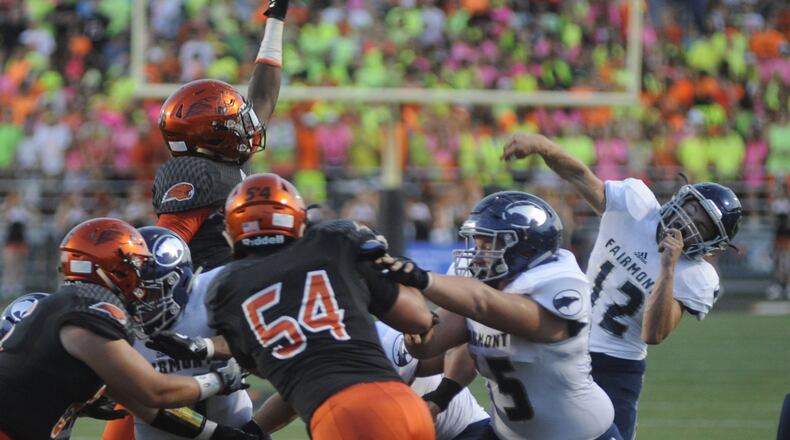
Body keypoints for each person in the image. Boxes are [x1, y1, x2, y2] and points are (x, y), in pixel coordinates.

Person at [501, 133, 742, 439]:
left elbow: (653, 335)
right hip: (566, 342)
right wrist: (543, 146)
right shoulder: (636, 205)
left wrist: (668, 267)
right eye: (693, 209)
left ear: (711, 243)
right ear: (682, 197)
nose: (689, 221)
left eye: (702, 226)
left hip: (616, 367)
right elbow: (579, 175)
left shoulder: (696, 276)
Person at [205, 173, 437, 439]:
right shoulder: (331, 244)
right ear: (297, 218)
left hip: (343, 417)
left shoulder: (227, 287)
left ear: (233, 227)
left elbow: (278, 373)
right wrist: (391, 265)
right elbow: (419, 319)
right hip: (406, 404)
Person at [378, 191, 620, 440]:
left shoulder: (562, 284)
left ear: (527, 249)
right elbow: (429, 347)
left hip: (582, 435)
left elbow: (485, 306)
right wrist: (391, 294)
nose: (477, 255)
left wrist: (422, 279)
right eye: (477, 244)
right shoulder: (482, 285)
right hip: (506, 434)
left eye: (489, 245)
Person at [0, 218, 249, 440]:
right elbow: (156, 392)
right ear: (114, 268)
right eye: (135, 264)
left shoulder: (65, 306)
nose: (140, 276)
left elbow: (149, 408)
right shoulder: (88, 313)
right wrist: (220, 379)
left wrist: (218, 434)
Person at [152, 0, 290, 271]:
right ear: (211, 134)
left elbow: (264, 96)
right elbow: (163, 249)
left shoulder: (229, 159)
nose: (246, 126)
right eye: (235, 121)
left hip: (241, 280)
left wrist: (276, 21)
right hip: (209, 288)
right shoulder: (195, 174)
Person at [127, 226, 261, 439]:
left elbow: (261, 344)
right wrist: (219, 379)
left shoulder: (214, 288)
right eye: (131, 293)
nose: (140, 303)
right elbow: (151, 398)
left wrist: (208, 347)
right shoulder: (116, 321)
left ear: (179, 282)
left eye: (150, 293)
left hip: (238, 426)